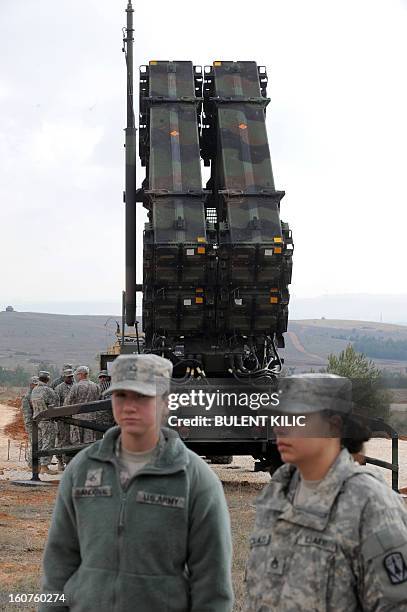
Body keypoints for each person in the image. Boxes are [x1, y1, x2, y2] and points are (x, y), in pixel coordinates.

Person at [40, 354, 233, 612]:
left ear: (166, 402)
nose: (129, 406)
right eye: (121, 396)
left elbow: (212, 584)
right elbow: (59, 559)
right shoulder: (84, 467)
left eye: (142, 396)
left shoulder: (193, 478)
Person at [245, 373, 407, 611]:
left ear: (333, 426)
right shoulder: (276, 494)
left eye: (297, 419)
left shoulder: (370, 503)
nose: (280, 427)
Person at [30, 371, 59, 475]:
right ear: (48, 379)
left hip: (37, 420)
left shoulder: (34, 390)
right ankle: (44, 467)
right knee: (48, 443)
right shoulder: (48, 390)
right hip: (47, 421)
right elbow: (55, 405)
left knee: (39, 443)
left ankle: (36, 466)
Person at [64, 365, 101, 444]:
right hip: (91, 420)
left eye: (77, 375)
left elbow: (67, 403)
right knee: (89, 443)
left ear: (81, 374)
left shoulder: (76, 387)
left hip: (77, 420)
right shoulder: (96, 386)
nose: (76, 377)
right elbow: (99, 400)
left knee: (77, 444)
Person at [54, 368, 75, 469]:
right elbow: (56, 404)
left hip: (74, 418)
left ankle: (70, 461)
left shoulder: (75, 386)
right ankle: (60, 461)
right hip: (63, 418)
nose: (71, 378)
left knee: (72, 439)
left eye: (71, 376)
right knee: (62, 439)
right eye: (68, 376)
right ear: (64, 377)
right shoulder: (59, 388)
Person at [21, 375, 39, 468]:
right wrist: (29, 425)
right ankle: (31, 464)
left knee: (39, 443)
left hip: (39, 423)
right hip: (32, 423)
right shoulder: (27, 397)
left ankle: (37, 463)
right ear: (30, 385)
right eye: (34, 384)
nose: (36, 386)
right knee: (33, 443)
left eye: (37, 384)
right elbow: (27, 414)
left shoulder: (38, 395)